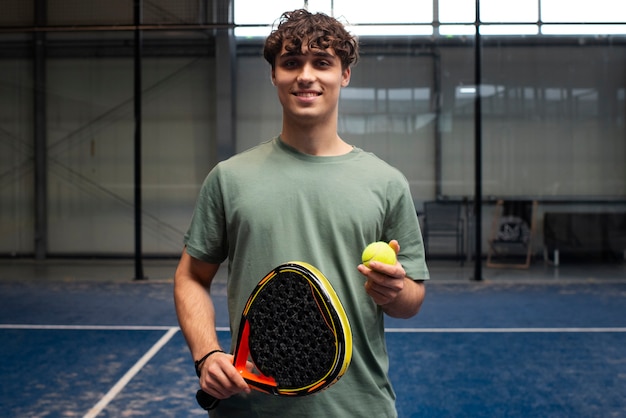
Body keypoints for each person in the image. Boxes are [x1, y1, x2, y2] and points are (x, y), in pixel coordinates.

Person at [174, 8, 429, 417]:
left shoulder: (386, 182)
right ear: (274, 74)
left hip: (358, 409)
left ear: (344, 74)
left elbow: (413, 298)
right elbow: (190, 276)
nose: (305, 75)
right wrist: (206, 355)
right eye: (291, 62)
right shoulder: (229, 178)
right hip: (249, 409)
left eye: (322, 62)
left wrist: (396, 292)